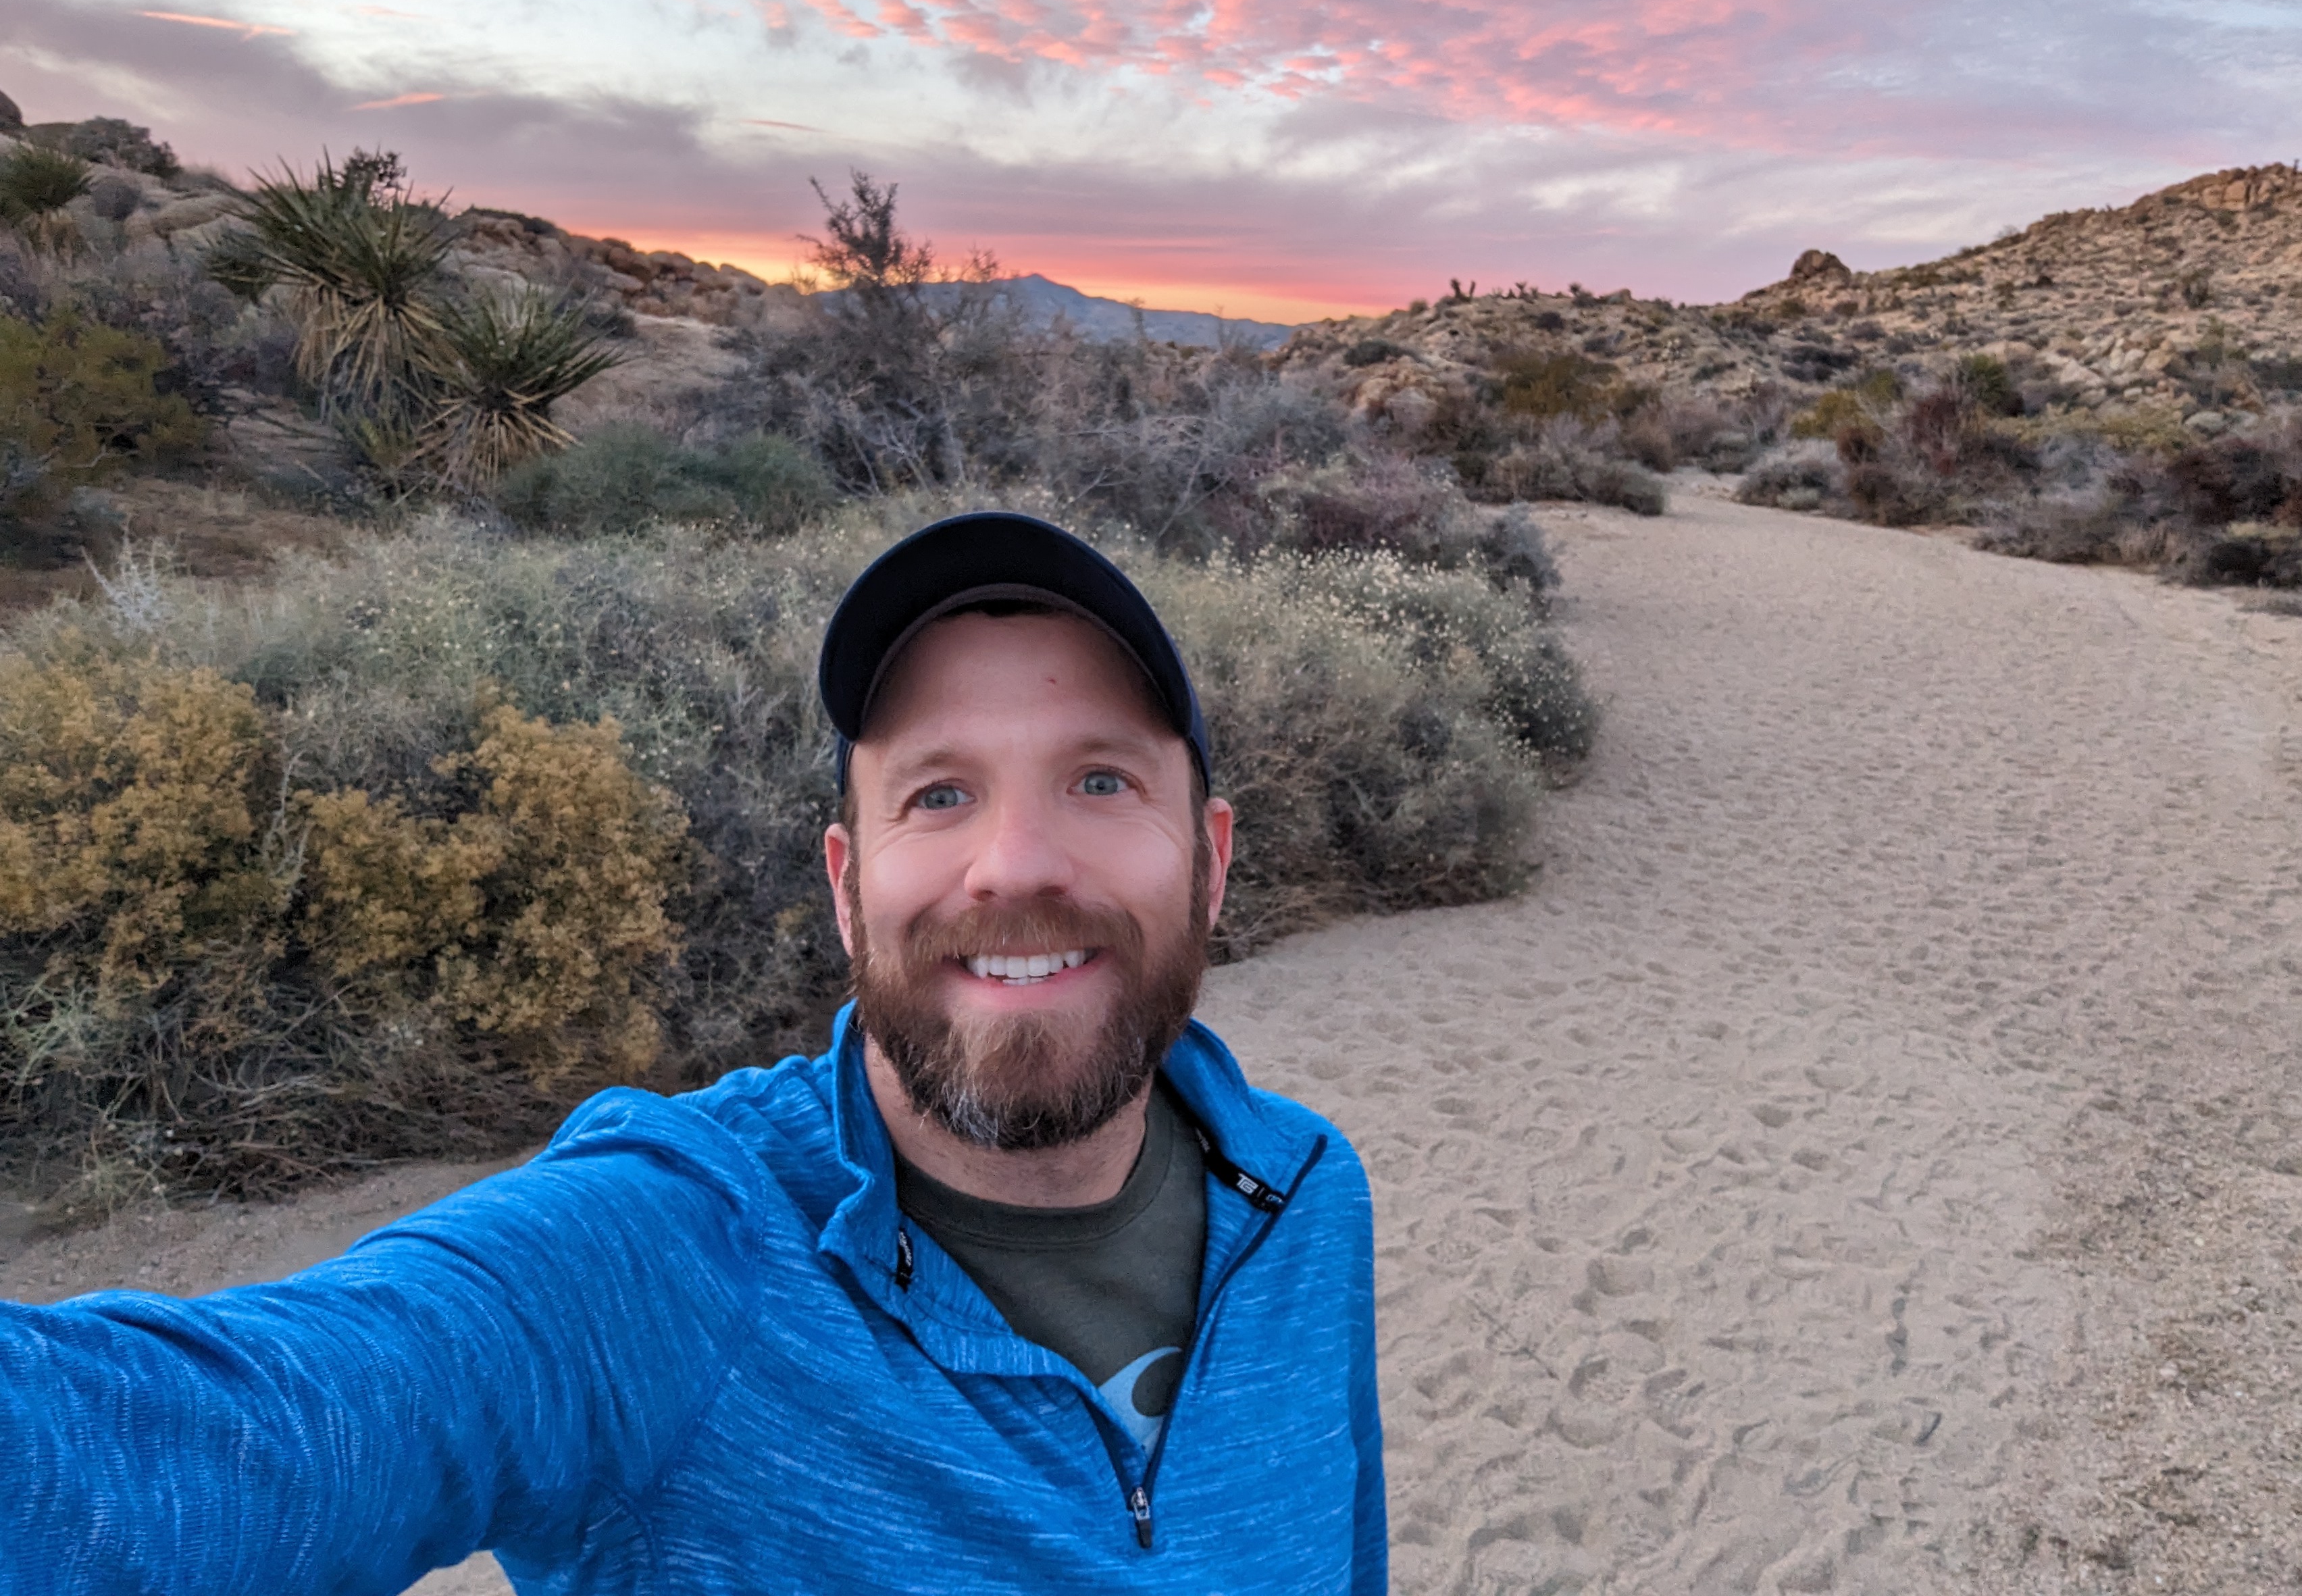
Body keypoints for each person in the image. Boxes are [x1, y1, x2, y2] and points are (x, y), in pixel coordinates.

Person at [1, 511, 1386, 1595]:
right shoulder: (670, 1252)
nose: (1013, 863)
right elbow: (221, 1449)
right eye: (939, 793)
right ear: (847, 887)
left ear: (1207, 860)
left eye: (1101, 780)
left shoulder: (1305, 1194)